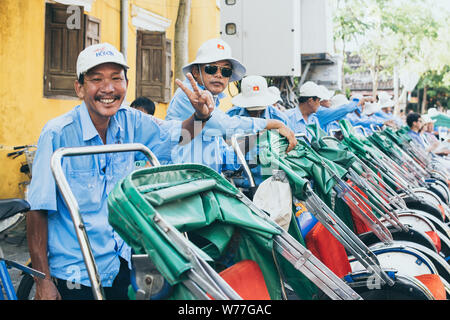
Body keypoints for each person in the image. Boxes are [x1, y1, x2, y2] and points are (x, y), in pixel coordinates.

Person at [26, 42, 216, 300]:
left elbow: (179, 136)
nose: (108, 88)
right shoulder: (57, 133)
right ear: (80, 88)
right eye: (97, 79)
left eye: (117, 78)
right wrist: (43, 281)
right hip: (76, 271)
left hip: (123, 264)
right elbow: (37, 210)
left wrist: (200, 116)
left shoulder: (132, 121)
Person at [165, 38, 296, 173]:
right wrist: (270, 124)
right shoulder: (188, 95)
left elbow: (225, 159)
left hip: (204, 181)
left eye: (225, 71)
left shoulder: (215, 105)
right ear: (196, 72)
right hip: (181, 182)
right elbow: (224, 126)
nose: (219, 75)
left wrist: (260, 140)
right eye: (211, 69)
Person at [225, 75, 290, 187]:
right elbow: (224, 147)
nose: (256, 112)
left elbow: (288, 152)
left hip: (271, 184)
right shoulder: (231, 116)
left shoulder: (280, 119)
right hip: (239, 183)